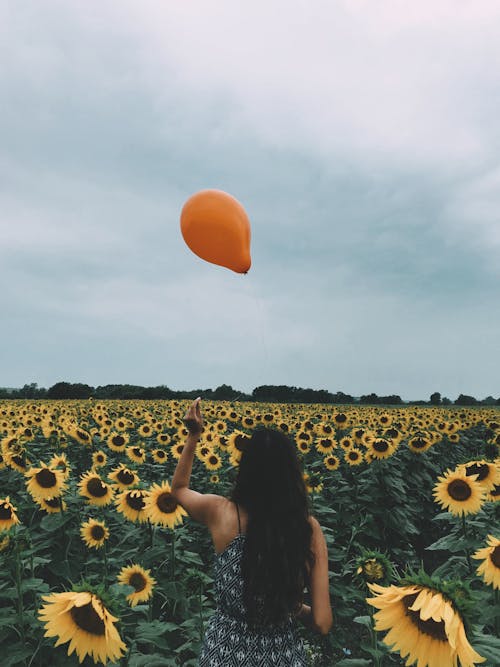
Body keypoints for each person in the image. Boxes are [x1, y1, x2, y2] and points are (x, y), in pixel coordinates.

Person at [171, 398, 332, 666]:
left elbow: (178, 490)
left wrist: (194, 436)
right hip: (281, 655)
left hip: (223, 653)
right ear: (291, 473)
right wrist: (293, 609)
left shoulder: (221, 513)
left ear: (245, 468)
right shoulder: (306, 528)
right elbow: (322, 623)